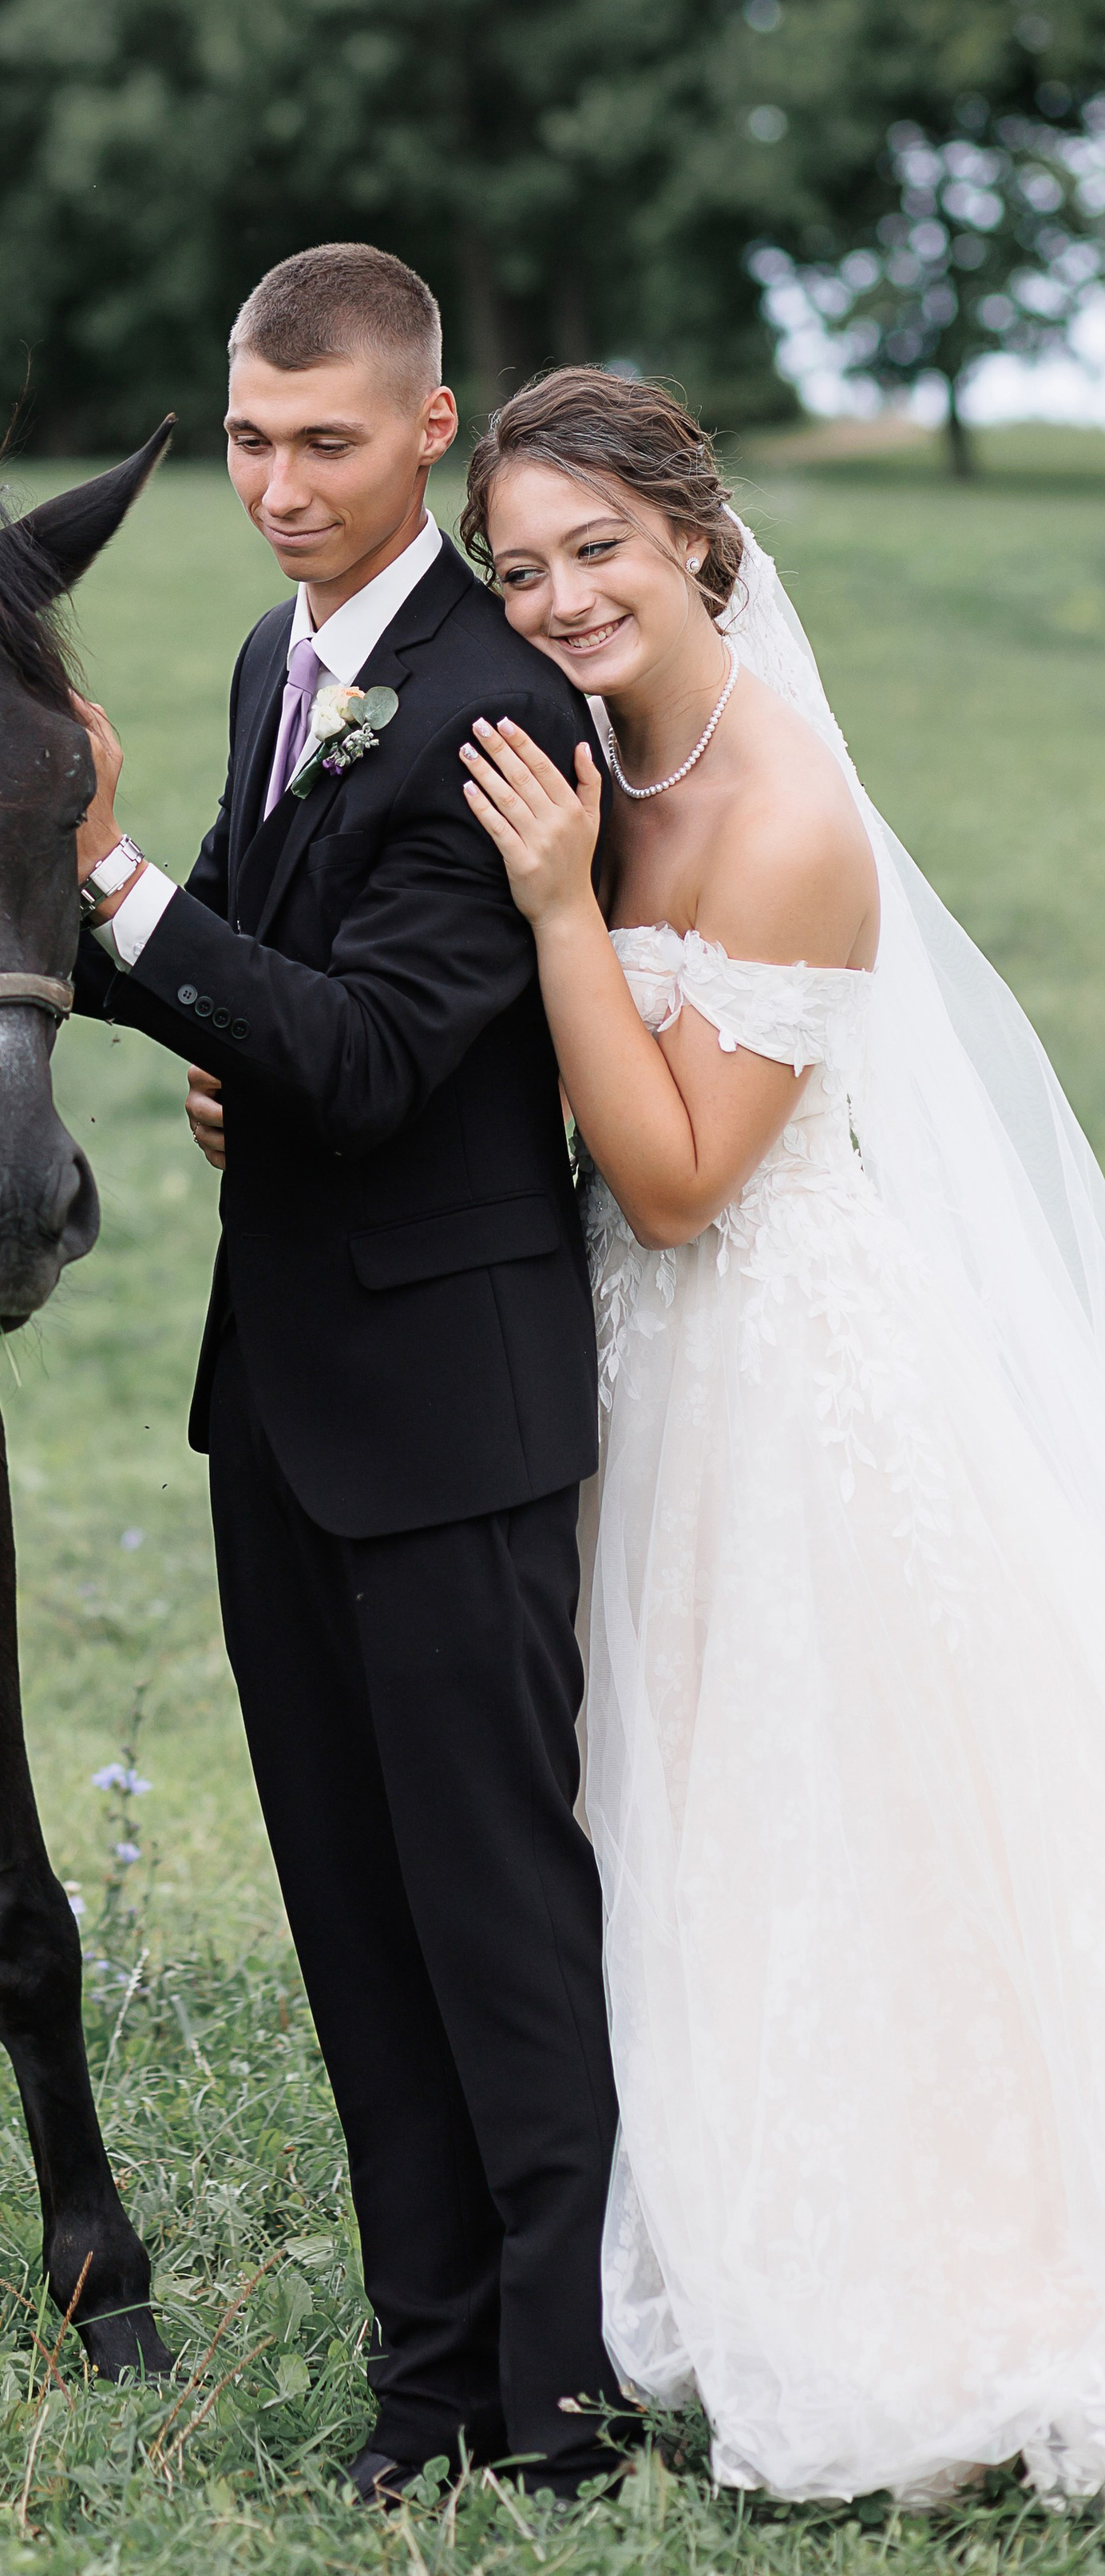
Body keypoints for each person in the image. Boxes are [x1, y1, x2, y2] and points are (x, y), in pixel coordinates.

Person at [457, 365, 1105, 2503]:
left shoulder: (787, 819)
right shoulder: (587, 767)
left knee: (817, 1813)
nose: (558, 600)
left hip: (780, 1370)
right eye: (521, 567)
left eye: (598, 553)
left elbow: (668, 1180)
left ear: (699, 539)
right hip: (630, 1372)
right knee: (650, 1797)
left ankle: (918, 2272)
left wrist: (562, 916)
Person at [69, 244, 633, 2505]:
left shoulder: (503, 705)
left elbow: (384, 1052)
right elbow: (250, 972)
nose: (276, 486)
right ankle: (425, 2399)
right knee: (350, 1924)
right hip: (278, 1404)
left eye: (323, 443)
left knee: (494, 1926)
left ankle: (561, 2418)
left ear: (426, 432)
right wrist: (166, 987)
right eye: (245, 440)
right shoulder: (266, 667)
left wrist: (109, 880)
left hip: (453, 1413)